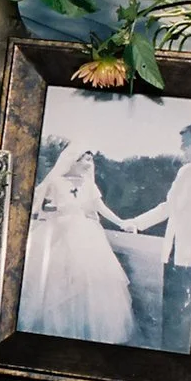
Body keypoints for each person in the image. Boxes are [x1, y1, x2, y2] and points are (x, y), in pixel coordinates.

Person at [112, 121, 191, 354]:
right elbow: (168, 207)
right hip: (173, 253)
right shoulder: (184, 171)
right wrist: (136, 223)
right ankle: (168, 359)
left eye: (186, 143)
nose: (182, 149)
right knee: (172, 312)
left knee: (189, 316)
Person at [18, 148, 134, 345]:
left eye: (90, 160)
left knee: (87, 278)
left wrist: (122, 223)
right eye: (83, 159)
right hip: (57, 232)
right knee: (54, 279)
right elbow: (42, 208)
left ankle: (87, 333)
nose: (88, 164)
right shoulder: (55, 182)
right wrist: (56, 211)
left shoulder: (89, 184)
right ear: (72, 160)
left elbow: (100, 208)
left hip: (84, 235)